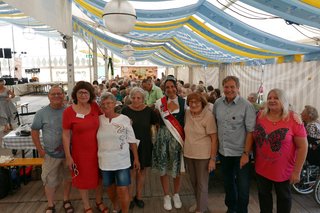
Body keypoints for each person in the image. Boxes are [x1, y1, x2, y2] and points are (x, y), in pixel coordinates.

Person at [253, 88, 308, 213]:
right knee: (264, 197)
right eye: (269, 98)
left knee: (284, 199)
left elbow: (303, 147)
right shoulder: (260, 115)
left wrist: (297, 171)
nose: (272, 100)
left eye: (276, 98)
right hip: (262, 167)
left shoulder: (294, 119)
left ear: (283, 100)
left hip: (283, 171)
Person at [213, 76, 256, 213]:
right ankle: (231, 208)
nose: (229, 90)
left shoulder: (246, 106)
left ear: (238, 88)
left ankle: (242, 210)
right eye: (226, 87)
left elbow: (251, 132)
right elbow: (215, 124)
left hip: (240, 154)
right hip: (224, 152)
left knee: (243, 187)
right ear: (223, 88)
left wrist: (245, 154)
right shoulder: (218, 103)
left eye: (232, 87)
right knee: (228, 184)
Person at [62, 81, 107, 213]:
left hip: (99, 150)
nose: (83, 94)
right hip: (80, 153)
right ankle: (87, 205)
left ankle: (98, 201)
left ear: (90, 94)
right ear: (75, 94)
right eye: (80, 92)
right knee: (82, 179)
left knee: (99, 177)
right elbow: (65, 135)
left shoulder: (94, 106)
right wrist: (68, 156)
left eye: (86, 92)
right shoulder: (68, 112)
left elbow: (104, 121)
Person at [31, 85, 74, 213]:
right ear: (48, 96)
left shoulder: (70, 111)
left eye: (59, 93)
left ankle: (66, 200)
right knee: (49, 180)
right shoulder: (41, 113)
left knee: (68, 178)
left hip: (68, 154)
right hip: (50, 154)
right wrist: (40, 150)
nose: (56, 96)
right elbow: (34, 131)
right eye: (53, 94)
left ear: (64, 95)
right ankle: (51, 204)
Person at [97, 92, 140, 213]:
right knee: (110, 188)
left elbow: (132, 141)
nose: (106, 106)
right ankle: (116, 206)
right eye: (103, 104)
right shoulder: (98, 120)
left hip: (122, 161)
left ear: (115, 104)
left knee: (123, 189)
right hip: (104, 161)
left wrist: (136, 159)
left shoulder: (124, 119)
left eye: (109, 103)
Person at [152, 76, 186, 211]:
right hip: (163, 139)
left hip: (177, 139)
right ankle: (166, 195)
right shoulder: (159, 103)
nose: (170, 89)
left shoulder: (184, 103)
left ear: (176, 88)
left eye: (172, 87)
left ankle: (176, 194)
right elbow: (154, 119)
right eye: (167, 87)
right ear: (164, 89)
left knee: (176, 169)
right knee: (164, 168)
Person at [121, 87, 159, 209]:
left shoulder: (148, 111)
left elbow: (157, 123)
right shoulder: (125, 111)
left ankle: (139, 196)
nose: (136, 100)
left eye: (139, 98)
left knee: (142, 172)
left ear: (143, 99)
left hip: (145, 145)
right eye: (134, 98)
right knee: (131, 172)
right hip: (129, 146)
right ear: (130, 98)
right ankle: (131, 197)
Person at [184, 92, 218, 213]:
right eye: (191, 102)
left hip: (203, 156)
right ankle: (199, 203)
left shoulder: (208, 116)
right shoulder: (187, 113)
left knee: (202, 184)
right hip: (188, 154)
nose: (193, 104)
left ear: (202, 103)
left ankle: (201, 209)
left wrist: (212, 159)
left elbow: (214, 139)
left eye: (196, 102)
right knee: (194, 182)